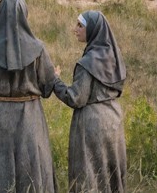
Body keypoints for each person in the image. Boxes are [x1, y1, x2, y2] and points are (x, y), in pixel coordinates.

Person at [0, 0, 58, 192]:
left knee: (2, 164)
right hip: (30, 113)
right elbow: (47, 88)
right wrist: (54, 76)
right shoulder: (38, 48)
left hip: (0, 115)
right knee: (31, 163)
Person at [53, 11, 127, 193]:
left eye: (80, 25)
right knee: (110, 172)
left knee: (90, 175)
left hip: (93, 123)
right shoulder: (114, 58)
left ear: (93, 29)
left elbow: (76, 98)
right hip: (114, 119)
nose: (75, 29)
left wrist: (56, 81)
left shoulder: (87, 63)